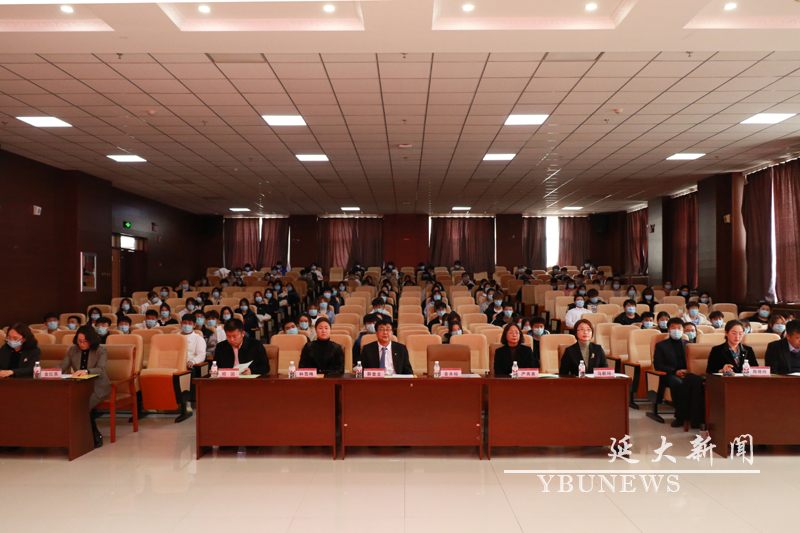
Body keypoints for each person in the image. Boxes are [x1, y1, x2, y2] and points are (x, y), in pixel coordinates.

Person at [59, 326, 111, 447]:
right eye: (79, 341)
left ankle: (94, 434)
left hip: (98, 386)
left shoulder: (100, 350)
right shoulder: (73, 350)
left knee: (82, 405)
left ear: (91, 340)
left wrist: (86, 371)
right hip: (79, 386)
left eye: (85, 341)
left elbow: (101, 369)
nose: (82, 344)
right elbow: (63, 365)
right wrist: (52, 372)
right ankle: (75, 436)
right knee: (66, 403)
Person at [653, 318, 706, 428]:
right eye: (673, 328)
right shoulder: (661, 345)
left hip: (688, 373)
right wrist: (675, 372)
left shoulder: (689, 344)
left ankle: (697, 417)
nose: (676, 330)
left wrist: (688, 371)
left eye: (679, 328)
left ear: (682, 330)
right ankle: (680, 417)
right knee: (677, 383)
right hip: (670, 374)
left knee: (700, 382)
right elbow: (658, 365)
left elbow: (693, 361)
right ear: (668, 330)